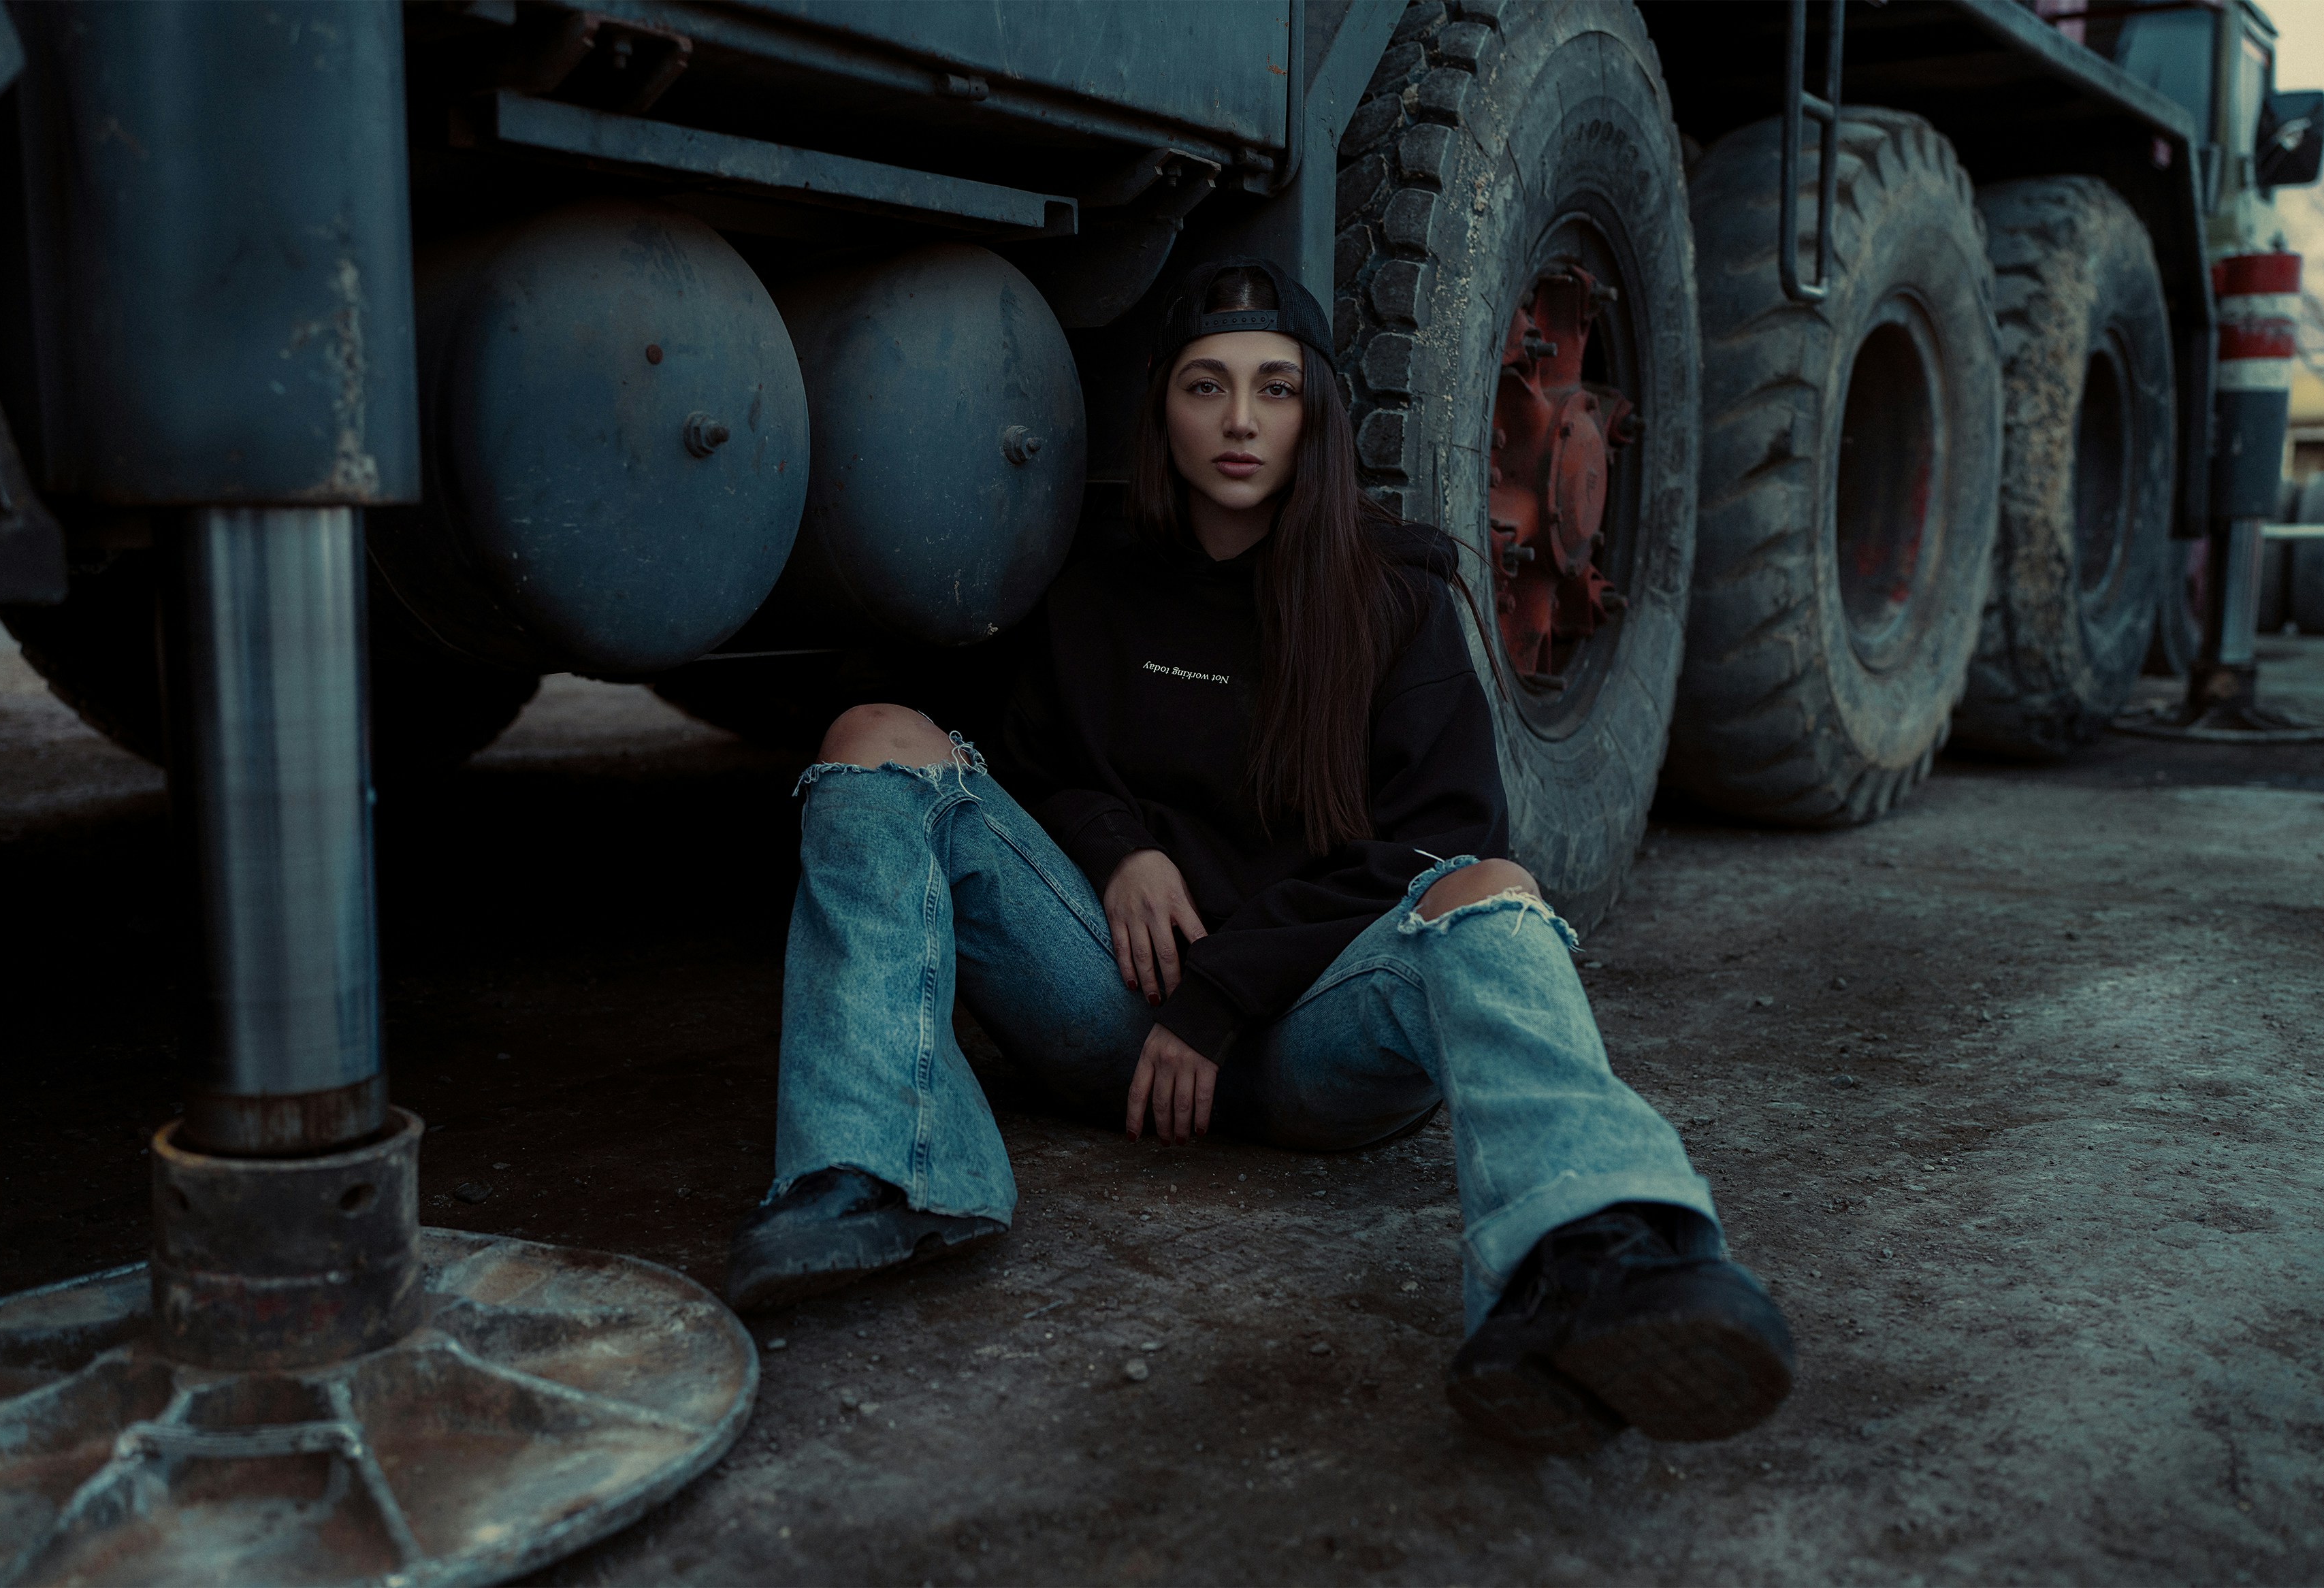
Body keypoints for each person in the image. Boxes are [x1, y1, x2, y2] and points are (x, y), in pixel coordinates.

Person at [725, 258, 1794, 1453]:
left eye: (1276, 389)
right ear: (1162, 410)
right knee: (873, 740)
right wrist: (1121, 851)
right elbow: (1038, 773)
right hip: (1116, 1015)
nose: (1240, 421)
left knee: (1493, 892)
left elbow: (1437, 839)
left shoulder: (1395, 592)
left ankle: (1590, 1258)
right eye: (1205, 385)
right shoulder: (1092, 589)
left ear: (1317, 414)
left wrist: (1222, 998)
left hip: (1310, 1044)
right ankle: (875, 1169)